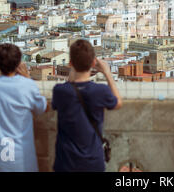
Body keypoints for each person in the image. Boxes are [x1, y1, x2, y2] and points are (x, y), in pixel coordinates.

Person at [52, 39, 122, 172]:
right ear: (93, 63)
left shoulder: (60, 91)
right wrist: (107, 73)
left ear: (70, 63)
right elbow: (118, 103)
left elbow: (70, 85)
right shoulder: (100, 91)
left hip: (66, 162)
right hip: (92, 162)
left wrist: (73, 71)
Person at [0, 43, 47, 172]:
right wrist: (27, 78)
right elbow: (41, 108)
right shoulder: (27, 85)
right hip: (24, 162)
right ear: (18, 63)